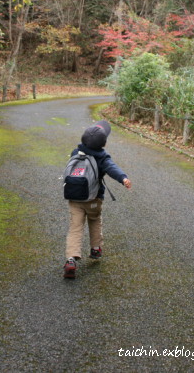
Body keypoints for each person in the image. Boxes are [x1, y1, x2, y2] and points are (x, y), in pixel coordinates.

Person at [63, 120, 131, 279]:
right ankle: (95, 249)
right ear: (103, 144)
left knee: (75, 227)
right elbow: (112, 169)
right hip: (93, 199)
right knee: (94, 221)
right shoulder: (102, 157)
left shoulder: (76, 152)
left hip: (74, 198)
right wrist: (123, 178)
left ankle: (71, 259)